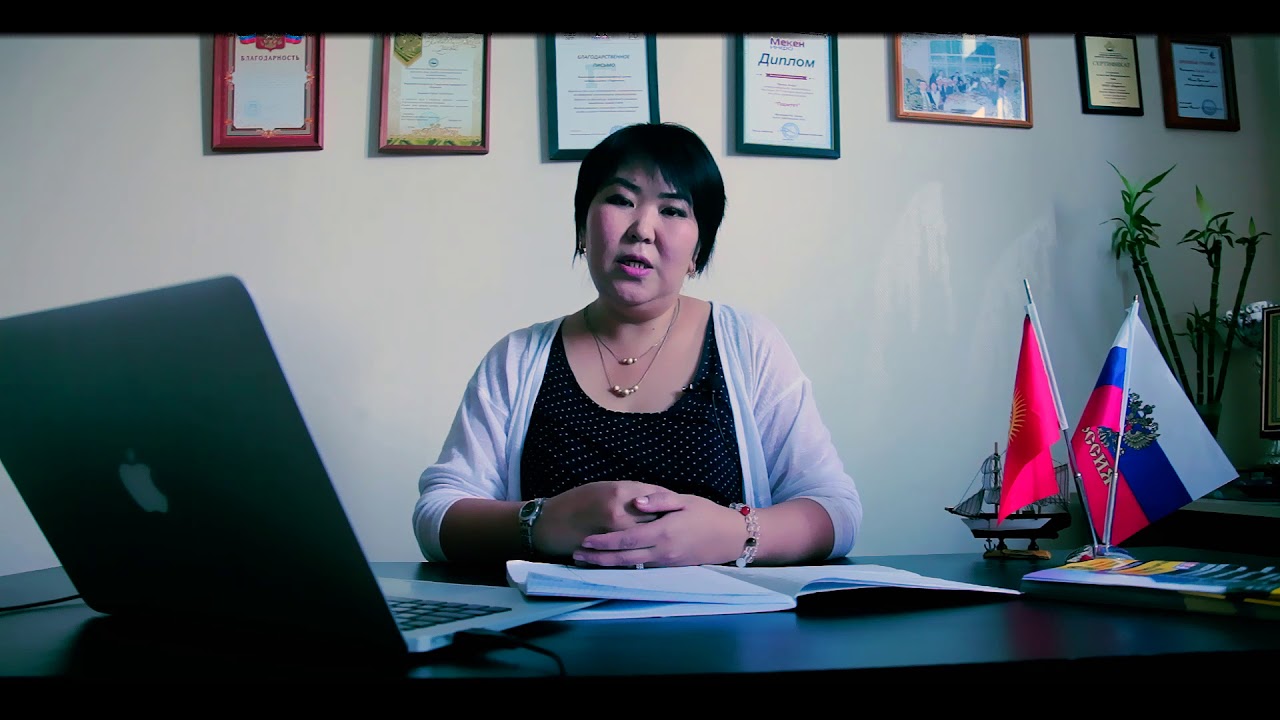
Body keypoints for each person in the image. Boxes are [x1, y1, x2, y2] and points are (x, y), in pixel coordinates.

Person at [413, 122, 861, 569]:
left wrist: (736, 532)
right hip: (552, 614)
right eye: (621, 200)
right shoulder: (516, 358)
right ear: (583, 228)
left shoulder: (749, 345)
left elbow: (836, 511)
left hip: (715, 614)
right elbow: (437, 516)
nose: (643, 229)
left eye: (673, 210)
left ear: (698, 250)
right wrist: (543, 521)